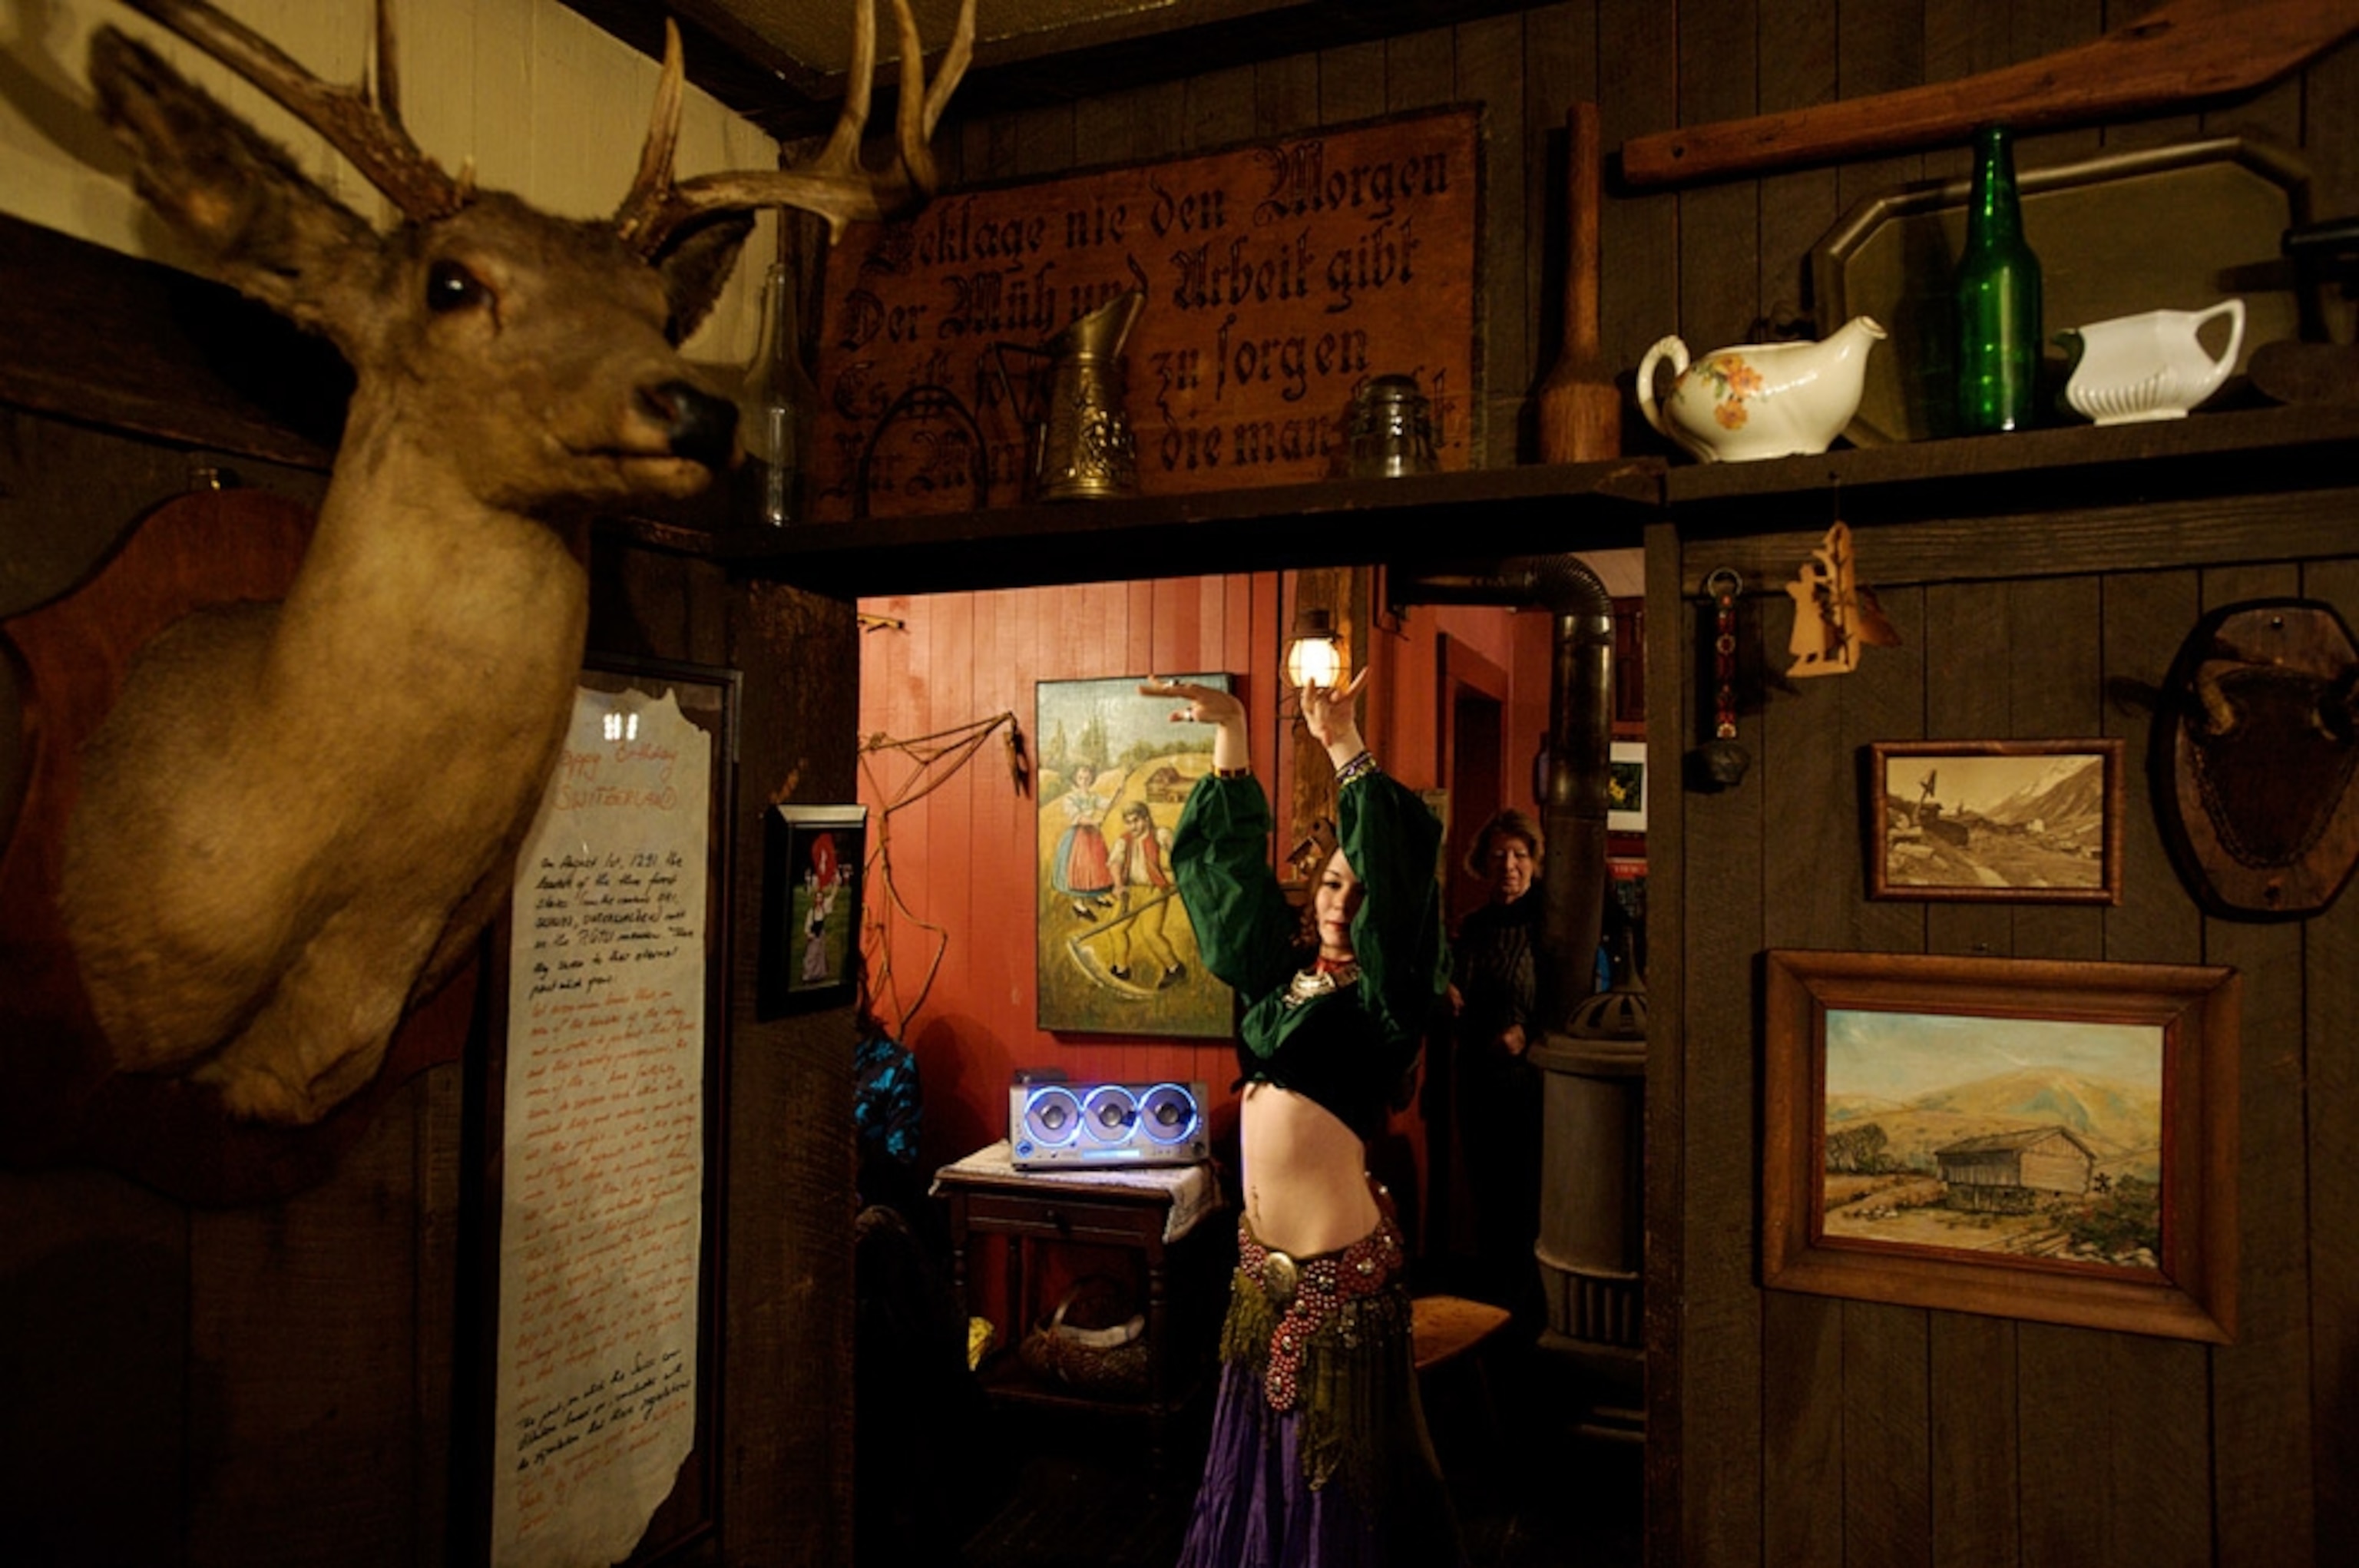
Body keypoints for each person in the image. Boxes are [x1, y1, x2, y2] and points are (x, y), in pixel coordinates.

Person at [1140, 670, 1465, 1568]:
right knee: (1256, 1476)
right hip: (1258, 1273)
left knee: (1332, 1481)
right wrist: (1236, 732)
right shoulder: (1274, 976)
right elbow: (1225, 886)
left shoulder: (1390, 1002)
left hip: (1338, 1278)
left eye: (1356, 891)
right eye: (1328, 882)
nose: (1338, 901)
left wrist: (1343, 739)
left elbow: (1403, 891)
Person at [1447, 809, 1547, 1322]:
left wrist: (1528, 1034)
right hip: (1477, 1079)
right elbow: (1455, 995)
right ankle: (1493, 1313)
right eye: (1499, 855)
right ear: (1483, 863)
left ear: (1534, 861)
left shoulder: (1548, 923)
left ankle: (1525, 1310)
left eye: (1519, 855)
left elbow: (1567, 998)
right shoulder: (1473, 926)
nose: (1509, 865)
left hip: (1527, 1083)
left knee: (1525, 1199)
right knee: (1487, 1197)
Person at [1106, 799, 1185, 988]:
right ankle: (1121, 969)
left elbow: (1179, 855)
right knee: (1116, 929)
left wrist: (1179, 876)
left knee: (1150, 933)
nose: (1133, 826)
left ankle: (1174, 969)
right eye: (1129, 822)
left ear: (1146, 819)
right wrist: (1118, 886)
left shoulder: (1160, 834)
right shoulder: (1123, 841)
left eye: (1137, 820)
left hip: (1154, 890)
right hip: (1131, 891)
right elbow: (1115, 863)